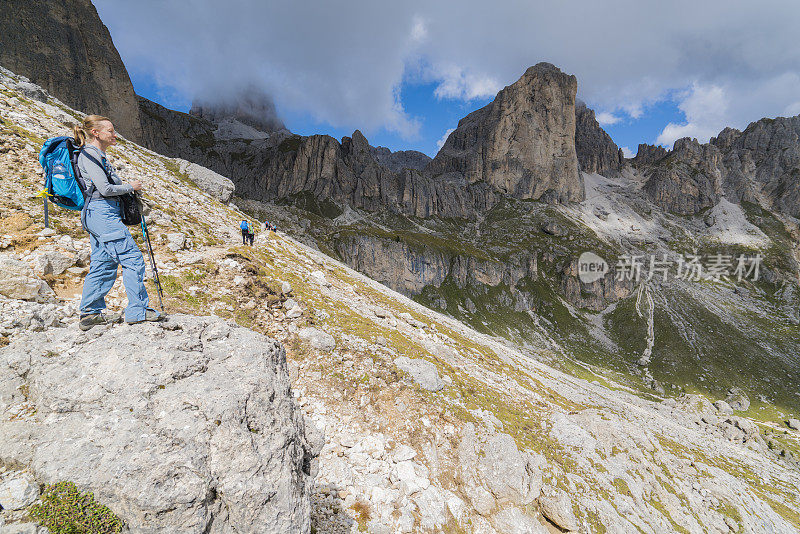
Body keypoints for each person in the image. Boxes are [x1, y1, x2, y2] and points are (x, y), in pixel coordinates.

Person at [75, 115, 163, 331]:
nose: (115, 135)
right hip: (102, 214)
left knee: (104, 263)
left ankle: (89, 314)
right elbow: (105, 189)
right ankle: (138, 311)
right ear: (96, 133)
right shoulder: (90, 154)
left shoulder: (98, 155)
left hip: (98, 215)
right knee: (132, 259)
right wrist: (131, 187)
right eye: (110, 131)